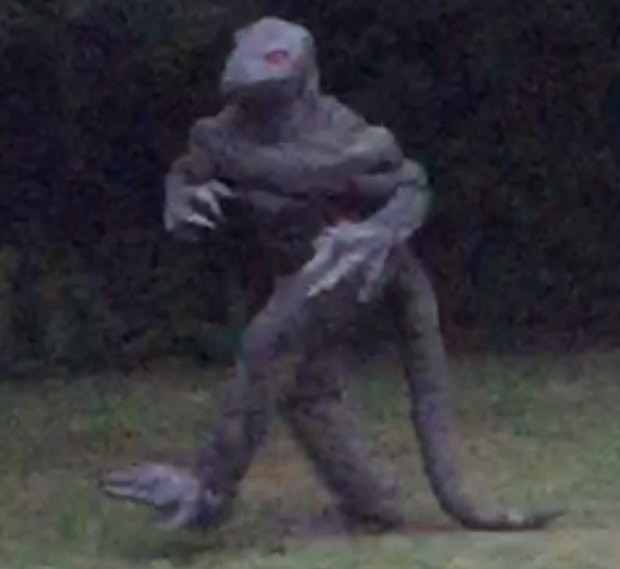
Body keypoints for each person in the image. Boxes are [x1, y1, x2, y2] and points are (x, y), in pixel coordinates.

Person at [100, 17, 559, 532]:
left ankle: (210, 490)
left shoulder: (345, 136)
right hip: (300, 265)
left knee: (268, 340)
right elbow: (189, 174)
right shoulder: (220, 136)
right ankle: (372, 508)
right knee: (307, 392)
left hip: (355, 256)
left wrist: (378, 231)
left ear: (305, 80)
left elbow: (409, 184)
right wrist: (183, 197)